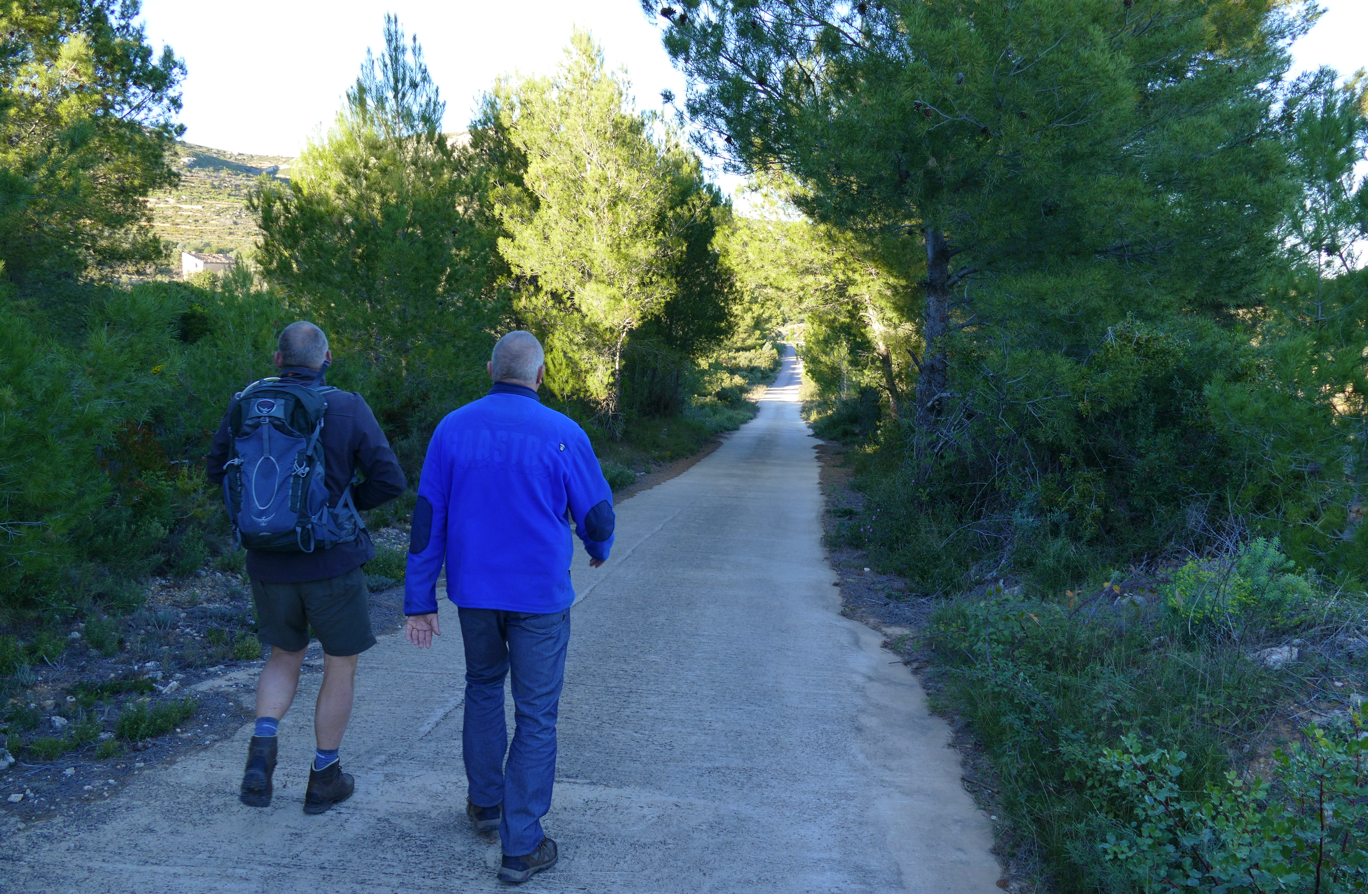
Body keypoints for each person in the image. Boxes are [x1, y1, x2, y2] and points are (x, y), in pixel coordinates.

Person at [404, 330, 615, 884]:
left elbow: (428, 519)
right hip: (539, 599)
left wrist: (418, 598)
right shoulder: (563, 432)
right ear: (540, 376)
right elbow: (597, 517)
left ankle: (485, 806)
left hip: (473, 594)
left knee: (481, 687)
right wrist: (597, 550)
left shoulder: (452, 429)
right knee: (536, 714)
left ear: (489, 368)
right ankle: (521, 845)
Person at [206, 321, 406, 814]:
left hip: (268, 561)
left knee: (283, 655)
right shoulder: (347, 406)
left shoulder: (245, 404)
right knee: (339, 666)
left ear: (277, 360)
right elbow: (390, 480)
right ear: (327, 359)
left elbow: (217, 471)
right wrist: (344, 504)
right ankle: (324, 776)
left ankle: (262, 752)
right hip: (332, 562)